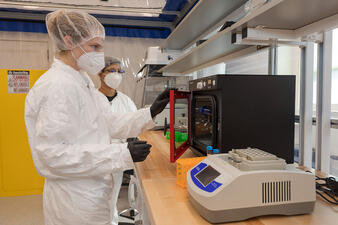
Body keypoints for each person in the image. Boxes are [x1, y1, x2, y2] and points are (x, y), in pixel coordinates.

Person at [24, 9, 169, 225]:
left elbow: (107, 122)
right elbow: (53, 156)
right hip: (74, 202)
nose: (99, 54)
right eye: (94, 46)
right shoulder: (57, 86)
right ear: (69, 40)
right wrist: (121, 153)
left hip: (93, 192)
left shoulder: (81, 81)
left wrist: (149, 113)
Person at [97, 56, 138, 225]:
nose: (116, 75)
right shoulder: (90, 98)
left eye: (119, 71)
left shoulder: (126, 101)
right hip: (96, 156)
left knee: (113, 193)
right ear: (100, 74)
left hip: (118, 156)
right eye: (111, 71)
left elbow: (135, 124)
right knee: (97, 198)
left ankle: (111, 222)